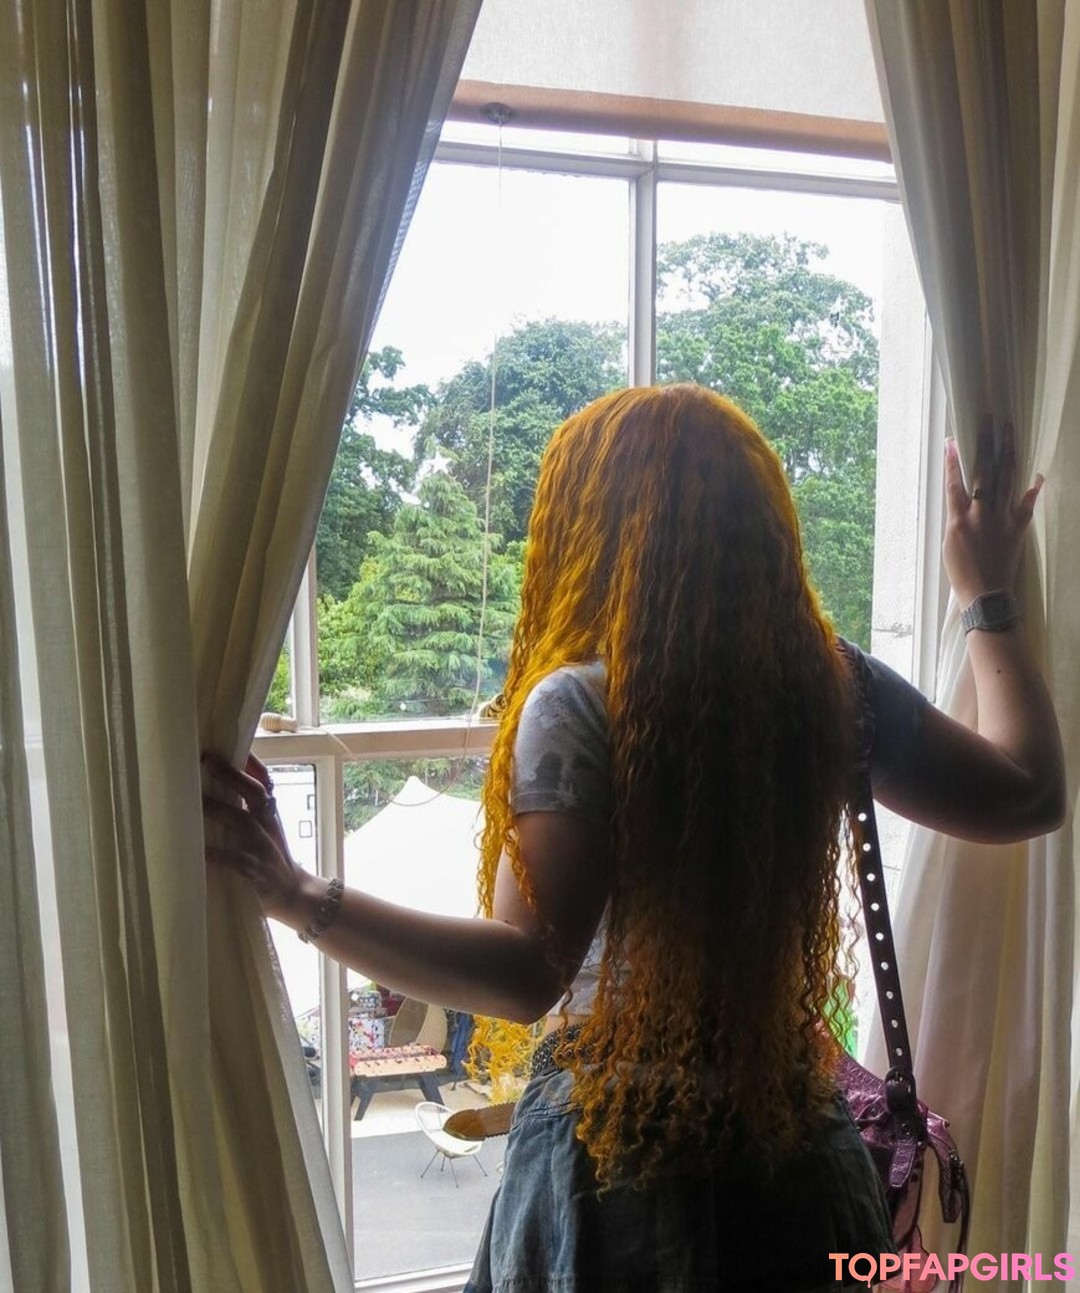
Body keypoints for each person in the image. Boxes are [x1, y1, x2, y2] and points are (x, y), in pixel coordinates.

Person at [204, 385, 1064, 1292]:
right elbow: (1030, 791)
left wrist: (300, 895)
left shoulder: (578, 705)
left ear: (587, 532)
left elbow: (528, 971)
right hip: (800, 1158)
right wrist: (987, 594)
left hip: (618, 1178)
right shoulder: (830, 687)